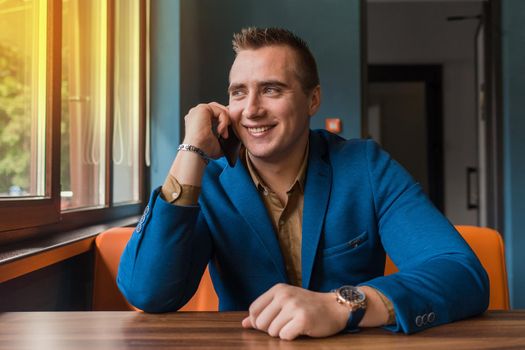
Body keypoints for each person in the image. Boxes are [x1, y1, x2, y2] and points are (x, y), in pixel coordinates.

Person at [117, 27, 489, 340]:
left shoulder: (366, 166)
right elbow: (149, 292)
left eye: (272, 89)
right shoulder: (209, 181)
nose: (251, 110)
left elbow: (462, 274)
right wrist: (192, 148)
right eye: (238, 92)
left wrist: (342, 305)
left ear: (313, 100)